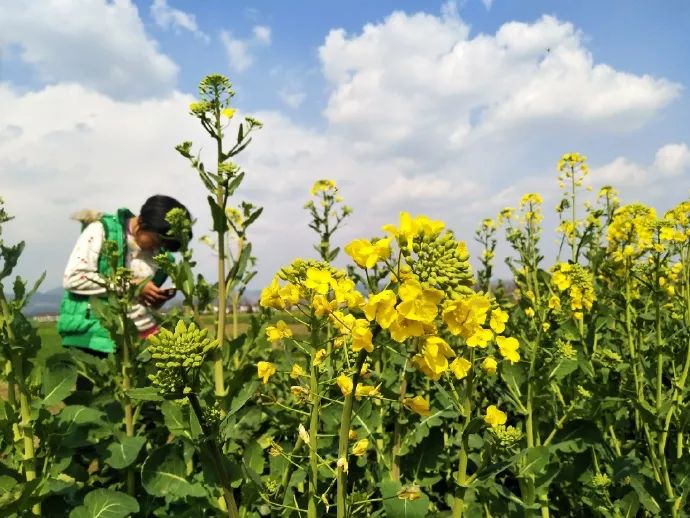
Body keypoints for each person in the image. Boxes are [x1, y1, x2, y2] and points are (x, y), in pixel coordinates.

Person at [57, 195, 192, 357]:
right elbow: (73, 279)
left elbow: (135, 304)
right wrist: (131, 285)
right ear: (142, 222)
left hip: (132, 341)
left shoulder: (160, 258)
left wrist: (154, 300)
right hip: (91, 336)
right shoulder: (101, 230)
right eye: (158, 240)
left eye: (165, 245)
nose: (158, 248)